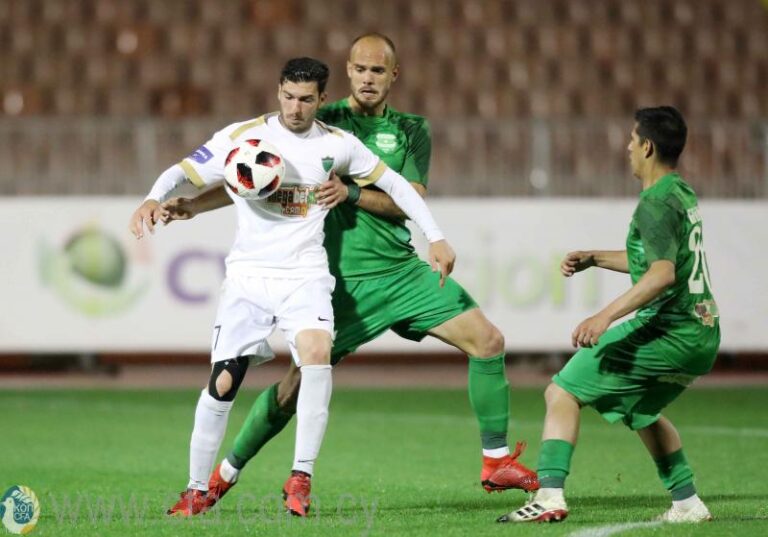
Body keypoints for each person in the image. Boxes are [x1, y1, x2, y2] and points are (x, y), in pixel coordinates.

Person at [161, 33, 538, 516]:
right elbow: (253, 177)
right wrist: (194, 205)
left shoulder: (411, 129)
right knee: (293, 388)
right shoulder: (319, 118)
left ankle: (496, 460)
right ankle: (223, 476)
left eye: (377, 71)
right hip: (342, 281)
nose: (367, 79)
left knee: (488, 341)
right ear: (345, 72)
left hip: (401, 272)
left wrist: (356, 195)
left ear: (393, 75)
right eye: (359, 69)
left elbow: (408, 197)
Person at [128, 56, 456, 518]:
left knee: (317, 355)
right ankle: (196, 489)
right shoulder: (243, 137)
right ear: (278, 92)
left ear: (322, 99)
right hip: (248, 276)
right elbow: (182, 171)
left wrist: (435, 236)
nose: (295, 108)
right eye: (287, 96)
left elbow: (400, 187)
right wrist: (152, 199)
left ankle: (300, 477)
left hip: (304, 274)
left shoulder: (337, 145)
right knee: (223, 383)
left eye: (305, 99)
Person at [498, 106, 719, 524]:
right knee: (641, 411)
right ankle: (687, 502)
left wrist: (603, 317)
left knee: (562, 391)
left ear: (647, 147)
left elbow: (661, 274)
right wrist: (596, 257)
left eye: (632, 140)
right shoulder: (680, 193)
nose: (627, 148)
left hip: (670, 331)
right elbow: (657, 260)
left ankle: (549, 496)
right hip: (703, 332)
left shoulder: (655, 203)